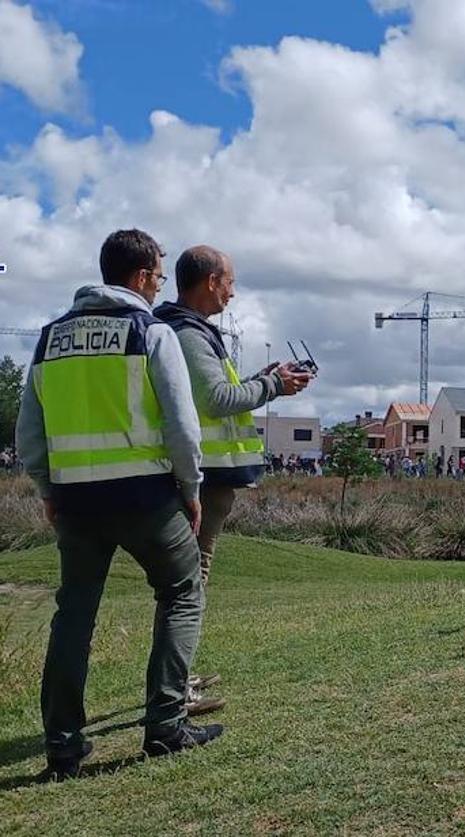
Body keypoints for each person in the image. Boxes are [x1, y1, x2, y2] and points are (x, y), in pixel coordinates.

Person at [16, 229, 223, 779]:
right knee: (182, 592)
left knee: (75, 614)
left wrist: (47, 488)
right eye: (157, 276)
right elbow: (182, 425)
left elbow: (29, 433)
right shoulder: (151, 332)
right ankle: (165, 724)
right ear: (140, 277)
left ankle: (63, 745)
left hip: (76, 500)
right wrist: (191, 488)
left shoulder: (49, 338)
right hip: (145, 496)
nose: (159, 285)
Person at [155, 246, 312, 709]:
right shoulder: (188, 334)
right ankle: (174, 691)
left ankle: (177, 679)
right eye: (230, 281)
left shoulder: (187, 331)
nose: (233, 291)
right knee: (189, 583)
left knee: (189, 582)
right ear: (209, 282)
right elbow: (218, 400)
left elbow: (216, 392)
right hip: (201, 478)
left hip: (205, 476)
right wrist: (274, 386)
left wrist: (261, 379)